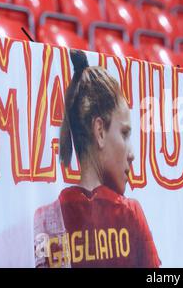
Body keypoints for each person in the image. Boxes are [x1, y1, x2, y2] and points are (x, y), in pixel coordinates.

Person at [33, 49, 161, 268]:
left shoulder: (45, 219)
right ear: (100, 131)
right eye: (124, 134)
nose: (131, 154)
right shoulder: (130, 214)